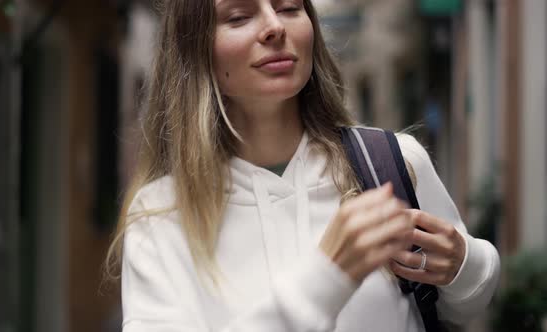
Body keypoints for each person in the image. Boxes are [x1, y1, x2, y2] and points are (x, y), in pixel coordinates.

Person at [105, 0, 500, 331]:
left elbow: (464, 308)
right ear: (196, 50)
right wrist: (327, 277)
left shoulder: (390, 164)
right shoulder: (161, 214)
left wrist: (466, 263)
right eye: (239, 17)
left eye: (289, 7)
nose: (274, 27)